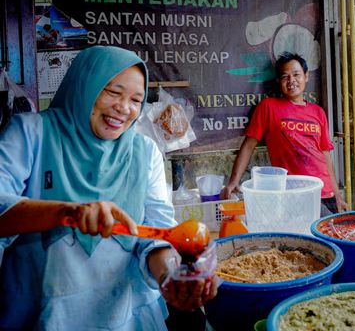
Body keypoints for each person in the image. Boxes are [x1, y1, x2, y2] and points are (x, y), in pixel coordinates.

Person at [0, 46, 217, 329]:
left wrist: (170, 277)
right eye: (113, 92)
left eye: (136, 100)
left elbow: (155, 234)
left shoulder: (144, 152)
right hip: (41, 313)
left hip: (123, 316)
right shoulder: (31, 134)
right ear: (84, 84)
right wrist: (68, 212)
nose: (124, 108)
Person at [221, 52, 347, 215]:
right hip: (294, 193)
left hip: (325, 191)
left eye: (296, 75)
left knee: (331, 237)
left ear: (306, 76)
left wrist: (337, 194)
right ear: (278, 81)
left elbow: (325, 155)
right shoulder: (268, 107)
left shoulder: (318, 112)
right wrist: (233, 182)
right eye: (285, 77)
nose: (291, 81)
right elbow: (248, 146)